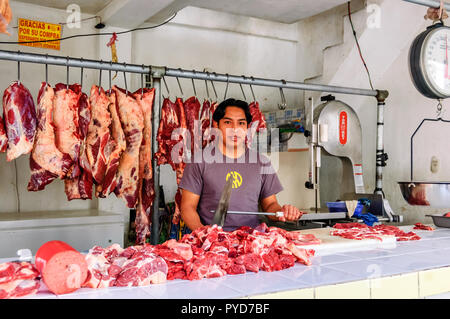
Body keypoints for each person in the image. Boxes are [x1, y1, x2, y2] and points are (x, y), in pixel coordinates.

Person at [178, 98, 305, 232]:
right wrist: (205, 235)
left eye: (241, 123)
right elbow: (187, 208)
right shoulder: (199, 161)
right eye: (228, 122)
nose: (235, 129)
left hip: (251, 242)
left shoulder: (262, 162)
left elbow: (271, 205)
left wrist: (283, 211)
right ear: (216, 124)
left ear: (247, 127)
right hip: (213, 244)